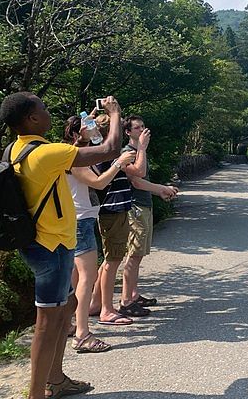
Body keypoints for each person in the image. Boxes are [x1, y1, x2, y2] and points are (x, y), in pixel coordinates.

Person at [0, 93, 123, 399]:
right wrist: (115, 113)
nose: (48, 110)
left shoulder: (16, 149)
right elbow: (110, 149)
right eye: (42, 108)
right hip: (50, 247)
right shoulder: (46, 153)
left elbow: (66, 156)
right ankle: (36, 394)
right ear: (31, 119)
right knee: (46, 321)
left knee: (66, 306)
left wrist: (81, 137)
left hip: (46, 243)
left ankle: (56, 378)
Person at [63, 116, 136, 353]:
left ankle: (69, 324)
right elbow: (99, 183)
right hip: (81, 221)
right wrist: (118, 163)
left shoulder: (71, 153)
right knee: (87, 277)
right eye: (92, 131)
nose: (96, 136)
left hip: (76, 219)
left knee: (74, 276)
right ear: (78, 134)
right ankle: (82, 334)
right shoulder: (75, 159)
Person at [91, 114, 149, 322]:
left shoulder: (108, 153)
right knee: (113, 260)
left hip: (116, 209)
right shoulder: (110, 153)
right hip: (112, 210)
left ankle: (97, 304)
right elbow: (139, 174)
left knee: (110, 259)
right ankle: (107, 309)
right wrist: (141, 148)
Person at [121, 115, 178, 311]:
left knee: (139, 255)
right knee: (133, 254)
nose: (142, 130)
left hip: (144, 206)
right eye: (137, 128)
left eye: (143, 127)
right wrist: (161, 188)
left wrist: (160, 192)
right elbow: (137, 179)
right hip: (134, 208)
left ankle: (133, 294)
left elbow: (142, 180)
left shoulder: (138, 151)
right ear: (128, 132)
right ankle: (126, 301)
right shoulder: (127, 152)